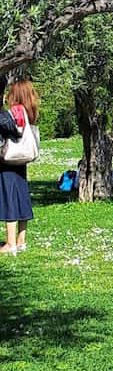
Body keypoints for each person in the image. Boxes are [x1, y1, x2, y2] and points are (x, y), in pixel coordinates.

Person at [0, 79, 39, 255]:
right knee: (21, 194)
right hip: (21, 159)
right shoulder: (29, 111)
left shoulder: (16, 110)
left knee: (8, 196)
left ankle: (10, 243)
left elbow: (10, 126)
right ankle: (21, 240)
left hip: (8, 160)